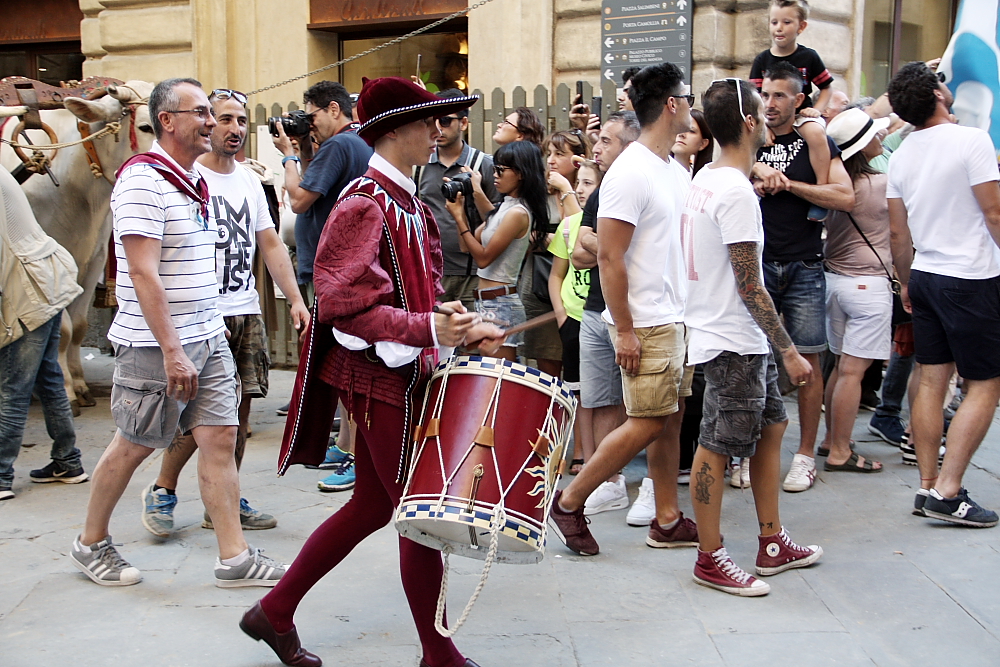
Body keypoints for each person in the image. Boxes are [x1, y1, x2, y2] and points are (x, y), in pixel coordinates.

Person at [239, 77, 505, 667]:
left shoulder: (407, 201)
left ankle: (273, 613)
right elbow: (342, 304)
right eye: (426, 123)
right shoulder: (365, 201)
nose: (437, 132)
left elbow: (420, 294)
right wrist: (425, 330)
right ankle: (439, 655)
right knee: (419, 517)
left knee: (371, 506)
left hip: (405, 374)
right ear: (395, 130)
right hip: (375, 378)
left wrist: (457, 323)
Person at [69, 78, 288, 587]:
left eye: (214, 113)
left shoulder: (192, 181)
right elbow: (142, 273)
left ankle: (234, 557)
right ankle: (90, 542)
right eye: (201, 113)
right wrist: (172, 350)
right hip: (156, 346)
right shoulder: (142, 180)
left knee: (219, 437)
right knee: (134, 442)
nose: (212, 122)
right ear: (167, 120)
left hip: (207, 335)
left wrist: (205, 336)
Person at [139, 89, 311, 538]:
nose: (235, 129)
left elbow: (270, 244)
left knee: (238, 416)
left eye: (242, 121)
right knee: (188, 416)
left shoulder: (250, 182)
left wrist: (294, 298)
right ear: (204, 122)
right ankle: (162, 488)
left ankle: (224, 502)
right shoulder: (183, 178)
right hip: (197, 316)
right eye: (225, 119)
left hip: (244, 311)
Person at [548, 62, 696, 556]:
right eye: (687, 97)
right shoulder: (631, 172)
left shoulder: (670, 168)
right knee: (649, 420)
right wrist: (627, 331)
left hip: (672, 317)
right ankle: (569, 502)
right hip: (646, 321)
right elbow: (609, 257)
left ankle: (667, 517)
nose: (691, 106)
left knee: (668, 418)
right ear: (672, 104)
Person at [684, 78, 821, 597]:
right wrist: (789, 351)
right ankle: (710, 556)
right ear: (747, 122)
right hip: (732, 337)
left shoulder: (708, 176)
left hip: (734, 334)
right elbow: (749, 284)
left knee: (773, 425)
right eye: (762, 111)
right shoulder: (735, 190)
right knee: (718, 444)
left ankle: (772, 541)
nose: (768, 118)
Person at [886, 62, 1000, 527]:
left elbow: (898, 231)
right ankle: (949, 492)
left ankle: (928, 485)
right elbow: (993, 213)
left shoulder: (902, 152)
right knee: (985, 384)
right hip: (970, 277)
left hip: (928, 273)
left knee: (932, 380)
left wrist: (907, 280)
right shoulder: (971, 140)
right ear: (936, 95)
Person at [752, 62, 855, 493]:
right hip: (756, 265)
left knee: (808, 363)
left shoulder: (812, 137)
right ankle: (747, 452)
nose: (770, 104)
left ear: (798, 101)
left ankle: (805, 455)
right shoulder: (749, 137)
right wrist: (757, 175)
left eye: (779, 96)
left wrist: (789, 185)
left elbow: (844, 196)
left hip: (804, 265)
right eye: (765, 95)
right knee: (753, 361)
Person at [273, 80, 372, 489]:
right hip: (344, 268)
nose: (307, 123)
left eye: (310, 115)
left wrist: (289, 156)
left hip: (333, 272)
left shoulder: (339, 146)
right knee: (345, 362)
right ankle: (346, 445)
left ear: (334, 109)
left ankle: (355, 455)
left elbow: (298, 200)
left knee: (347, 366)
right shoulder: (356, 144)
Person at [0, 168, 86, 502]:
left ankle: (1, 475)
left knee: (13, 386)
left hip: (28, 287)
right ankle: (67, 460)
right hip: (45, 279)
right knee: (48, 378)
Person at [816, 107, 892, 475]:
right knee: (852, 372)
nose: (881, 138)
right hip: (869, 285)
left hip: (834, 282)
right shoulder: (880, 186)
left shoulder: (834, 185)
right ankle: (841, 450)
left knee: (839, 367)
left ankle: (832, 438)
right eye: (875, 135)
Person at [570, 112, 639, 509]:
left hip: (631, 314)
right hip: (593, 310)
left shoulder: (639, 186)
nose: (595, 148)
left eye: (606, 141)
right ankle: (604, 479)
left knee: (642, 405)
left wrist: (603, 246)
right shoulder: (600, 192)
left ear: (628, 147)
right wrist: (607, 248)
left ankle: (629, 480)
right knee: (597, 399)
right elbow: (580, 253)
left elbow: (627, 252)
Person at [446, 141, 549, 361]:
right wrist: (461, 211)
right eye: (495, 169)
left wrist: (457, 216)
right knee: (487, 374)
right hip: (485, 301)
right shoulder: (505, 207)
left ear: (521, 173)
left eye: (501, 170)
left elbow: (483, 259)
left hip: (501, 304)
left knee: (499, 376)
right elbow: (467, 246)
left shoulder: (518, 213)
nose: (495, 175)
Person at [417, 88, 499, 312]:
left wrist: (477, 192)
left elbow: (497, 219)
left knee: (472, 343)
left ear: (463, 123)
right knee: (434, 342)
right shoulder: (420, 165)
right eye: (433, 121)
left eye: (445, 121)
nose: (438, 128)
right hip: (431, 273)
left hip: (472, 273)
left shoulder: (483, 164)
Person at [520, 129, 588, 377]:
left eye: (559, 154)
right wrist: (542, 238)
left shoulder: (587, 192)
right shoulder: (539, 193)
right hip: (539, 287)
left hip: (578, 293)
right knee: (547, 367)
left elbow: (582, 230)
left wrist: (568, 189)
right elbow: (523, 232)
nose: (551, 160)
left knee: (579, 373)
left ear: (578, 159)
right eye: (548, 153)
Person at [549, 158, 601, 480]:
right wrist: (562, 318)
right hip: (573, 320)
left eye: (588, 183)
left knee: (603, 393)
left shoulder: (609, 224)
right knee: (578, 391)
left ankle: (599, 455)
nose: (581, 190)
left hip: (600, 317)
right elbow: (556, 276)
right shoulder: (568, 227)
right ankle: (579, 451)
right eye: (578, 182)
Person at [749, 0, 833, 113]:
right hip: (771, 118)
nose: (779, 28)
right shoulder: (761, 60)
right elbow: (754, 95)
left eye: (787, 22)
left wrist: (816, 110)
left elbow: (826, 88)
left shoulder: (809, 56)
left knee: (813, 130)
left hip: (802, 117)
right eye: (774, 22)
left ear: (801, 26)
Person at [672, 108, 715, 176]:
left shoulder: (705, 180)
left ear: (703, 143)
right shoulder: (655, 170)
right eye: (678, 127)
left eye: (691, 131)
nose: (682, 134)